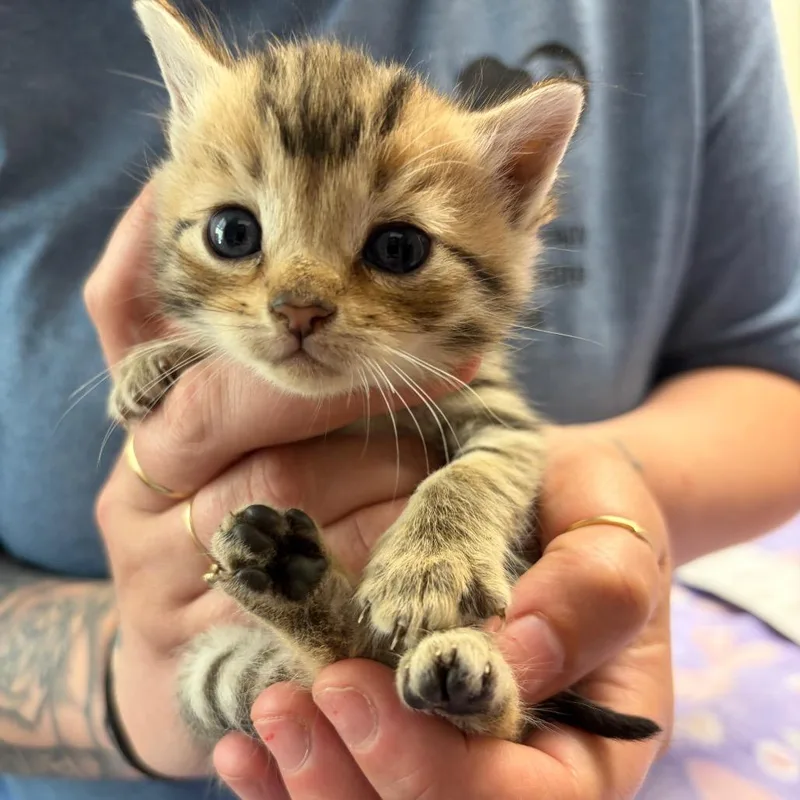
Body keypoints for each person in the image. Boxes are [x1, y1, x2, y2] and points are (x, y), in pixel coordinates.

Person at [1, 1, 798, 799]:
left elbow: (522, 441)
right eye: (237, 235)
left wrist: (548, 510)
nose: (297, 302)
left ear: (515, 191)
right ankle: (345, 643)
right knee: (219, 682)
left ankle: (429, 687)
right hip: (204, 717)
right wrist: (117, 681)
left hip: (478, 726)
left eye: (396, 249)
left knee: (434, 637)